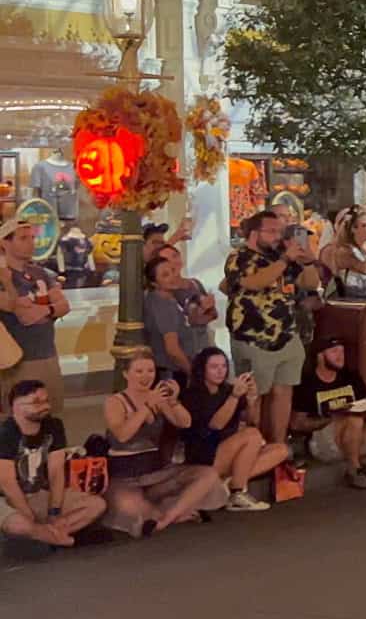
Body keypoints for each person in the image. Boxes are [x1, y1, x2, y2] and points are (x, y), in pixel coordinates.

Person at [222, 210, 322, 450]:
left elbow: (310, 283)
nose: (278, 236)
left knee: (283, 392)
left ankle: (277, 446)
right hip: (255, 338)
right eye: (272, 231)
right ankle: (253, 447)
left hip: (287, 334)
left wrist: (307, 259)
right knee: (255, 396)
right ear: (254, 233)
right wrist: (285, 260)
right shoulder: (240, 257)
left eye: (281, 231)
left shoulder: (280, 257)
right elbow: (255, 282)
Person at [102, 351, 229, 536]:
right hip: (125, 477)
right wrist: (146, 407)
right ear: (126, 374)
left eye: (150, 371)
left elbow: (185, 422)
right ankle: (173, 514)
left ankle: (168, 517)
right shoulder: (114, 402)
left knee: (207, 475)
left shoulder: (157, 398)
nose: (146, 376)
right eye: (139, 371)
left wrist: (173, 401)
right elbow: (123, 435)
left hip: (156, 473)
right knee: (131, 509)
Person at [0, 378, 105, 548]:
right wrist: (28, 515)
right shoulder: (5, 432)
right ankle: (57, 537)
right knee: (20, 524)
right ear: (16, 406)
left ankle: (46, 534)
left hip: (39, 493)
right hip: (7, 498)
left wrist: (54, 511)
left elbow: (56, 471)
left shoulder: (53, 426)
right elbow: (7, 483)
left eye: (46, 400)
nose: (45, 406)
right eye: (36, 402)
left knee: (97, 505)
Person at [290, 340, 366, 487]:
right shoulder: (307, 383)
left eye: (342, 351)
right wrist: (330, 419)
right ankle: (354, 470)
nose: (340, 356)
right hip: (324, 442)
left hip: (354, 437)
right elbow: (296, 424)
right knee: (354, 419)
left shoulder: (350, 375)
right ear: (320, 356)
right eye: (334, 352)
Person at [181, 347, 284, 508]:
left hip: (232, 450)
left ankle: (231, 481)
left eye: (223, 366)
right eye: (214, 367)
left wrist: (252, 398)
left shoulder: (227, 389)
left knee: (280, 450)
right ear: (202, 370)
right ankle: (238, 492)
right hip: (205, 454)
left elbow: (252, 421)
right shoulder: (193, 395)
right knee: (251, 435)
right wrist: (234, 397)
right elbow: (216, 425)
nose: (220, 371)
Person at [0, 217, 69, 415]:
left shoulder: (41, 273)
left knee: (52, 413)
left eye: (32, 237)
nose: (31, 243)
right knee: (23, 417)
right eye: (23, 238)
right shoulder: (3, 277)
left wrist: (47, 310)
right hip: (18, 360)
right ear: (5, 243)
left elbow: (63, 305)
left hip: (48, 354)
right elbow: (22, 314)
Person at [144, 254, 208, 387]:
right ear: (154, 283)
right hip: (173, 374)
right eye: (165, 275)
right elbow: (172, 349)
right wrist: (192, 373)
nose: (172, 276)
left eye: (172, 271)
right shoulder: (162, 305)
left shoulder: (171, 298)